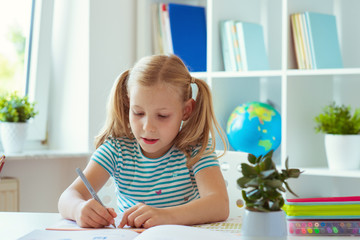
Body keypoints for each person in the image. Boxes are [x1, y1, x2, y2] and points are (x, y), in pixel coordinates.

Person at [58, 54, 229, 229]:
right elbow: (68, 197)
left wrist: (165, 216)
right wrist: (79, 209)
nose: (148, 127)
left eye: (162, 116)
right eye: (138, 113)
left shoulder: (195, 148)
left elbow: (219, 204)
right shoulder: (115, 150)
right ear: (128, 104)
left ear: (186, 111)